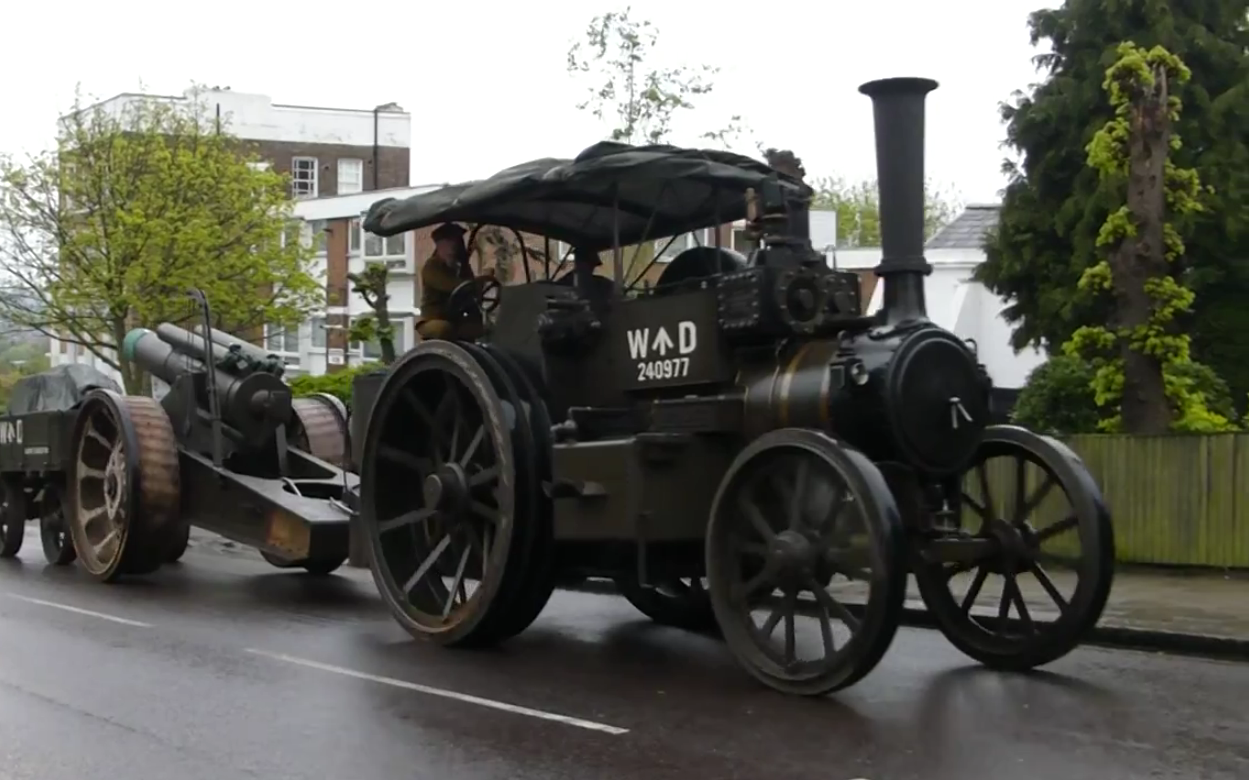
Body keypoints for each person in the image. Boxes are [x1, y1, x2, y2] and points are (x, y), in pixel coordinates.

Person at [415, 223, 497, 341]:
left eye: (456, 242)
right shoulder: (432, 267)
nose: (452, 247)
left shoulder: (462, 267)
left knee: (478, 328)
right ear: (438, 246)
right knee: (444, 328)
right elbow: (456, 287)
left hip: (455, 319)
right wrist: (480, 281)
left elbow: (471, 293)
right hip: (433, 319)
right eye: (447, 243)